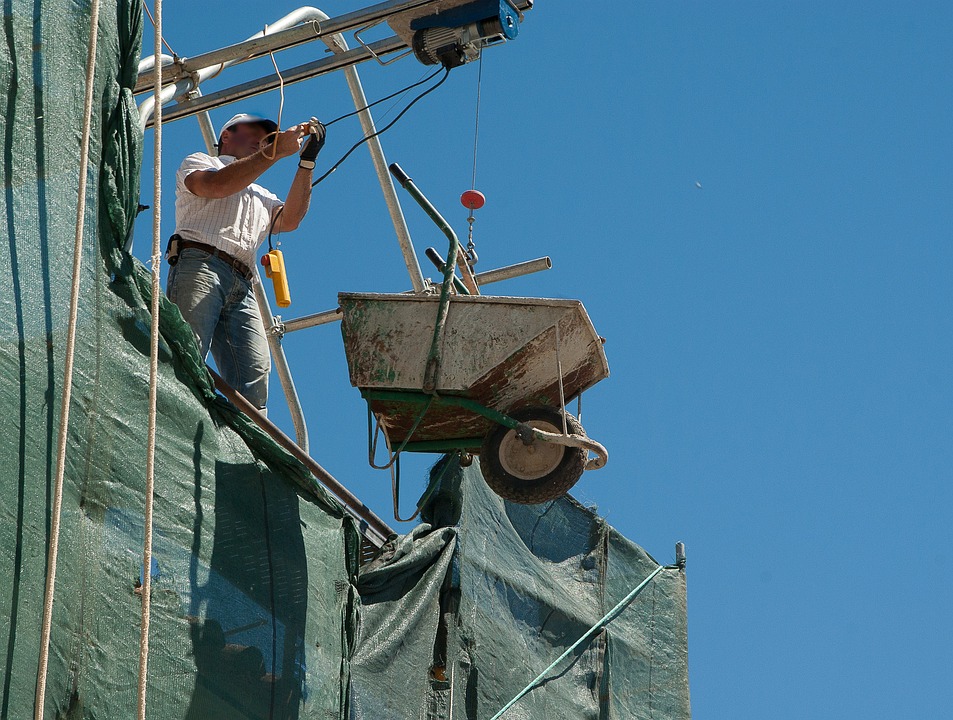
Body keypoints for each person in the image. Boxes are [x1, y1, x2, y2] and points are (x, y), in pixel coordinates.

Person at [167, 112, 325, 412]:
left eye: (265, 136)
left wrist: (307, 162)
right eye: (253, 132)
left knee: (254, 377)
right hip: (201, 264)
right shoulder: (201, 162)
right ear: (226, 135)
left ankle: (244, 450)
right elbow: (215, 186)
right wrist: (275, 151)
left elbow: (290, 219)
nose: (261, 140)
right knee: (187, 352)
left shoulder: (261, 194)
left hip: (242, 283)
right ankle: (175, 418)